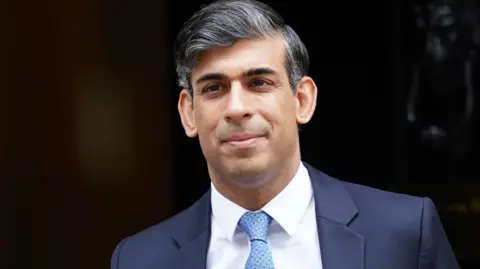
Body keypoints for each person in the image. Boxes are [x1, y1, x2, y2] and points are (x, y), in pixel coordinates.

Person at [110, 0, 460, 268]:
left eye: (259, 82)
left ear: (302, 100)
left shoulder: (404, 232)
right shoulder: (139, 259)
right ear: (189, 113)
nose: (236, 108)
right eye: (214, 87)